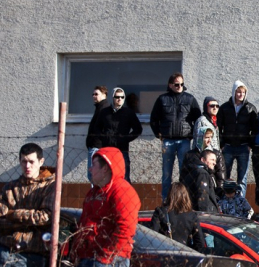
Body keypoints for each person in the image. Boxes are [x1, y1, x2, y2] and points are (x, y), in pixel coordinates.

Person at [74, 146, 141, 267]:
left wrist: (106, 256)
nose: (90, 169)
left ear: (106, 168)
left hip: (110, 259)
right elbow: (83, 224)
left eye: (93, 164)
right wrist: (76, 251)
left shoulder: (122, 190)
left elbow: (125, 228)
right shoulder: (92, 193)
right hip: (88, 256)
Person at [150, 72, 202, 201]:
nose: (179, 86)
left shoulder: (190, 99)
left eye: (182, 84)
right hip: (167, 141)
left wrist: (191, 135)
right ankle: (166, 201)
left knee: (184, 172)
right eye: (177, 84)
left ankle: (184, 200)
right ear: (170, 85)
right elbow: (153, 119)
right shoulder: (162, 99)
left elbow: (198, 118)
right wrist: (159, 134)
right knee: (167, 174)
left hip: (184, 141)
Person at [218, 80, 258, 199]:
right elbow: (218, 127)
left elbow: (255, 129)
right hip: (228, 147)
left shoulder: (250, 108)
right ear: (234, 92)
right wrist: (222, 144)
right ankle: (225, 202)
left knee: (242, 179)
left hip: (243, 147)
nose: (241, 94)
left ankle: (240, 203)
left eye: (243, 92)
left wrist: (250, 145)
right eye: (238, 92)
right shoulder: (224, 108)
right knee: (225, 176)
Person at [94, 87, 142, 182]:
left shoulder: (128, 113)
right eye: (117, 97)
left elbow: (138, 129)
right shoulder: (104, 112)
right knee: (106, 176)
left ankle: (125, 196)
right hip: (107, 149)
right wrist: (104, 138)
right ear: (112, 97)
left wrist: (126, 138)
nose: (119, 99)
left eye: (122, 97)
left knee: (124, 177)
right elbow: (97, 128)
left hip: (122, 150)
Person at [152, 182, 206, 252]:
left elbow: (152, 236)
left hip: (165, 253)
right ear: (185, 196)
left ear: (169, 195)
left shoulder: (160, 212)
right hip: (185, 254)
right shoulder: (192, 216)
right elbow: (200, 242)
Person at [183, 126, 227, 196]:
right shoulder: (190, 155)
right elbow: (183, 176)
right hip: (193, 191)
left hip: (212, 191)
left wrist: (218, 194)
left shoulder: (217, 154)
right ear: (200, 137)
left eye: (211, 137)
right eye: (206, 137)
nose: (209, 140)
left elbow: (221, 177)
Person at [86, 85, 111, 182]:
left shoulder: (104, 109)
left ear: (104, 95)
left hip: (97, 146)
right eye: (93, 94)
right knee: (94, 176)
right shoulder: (99, 108)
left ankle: (95, 196)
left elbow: (105, 128)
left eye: (96, 94)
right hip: (95, 145)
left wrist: (96, 141)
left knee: (93, 176)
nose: (94, 96)